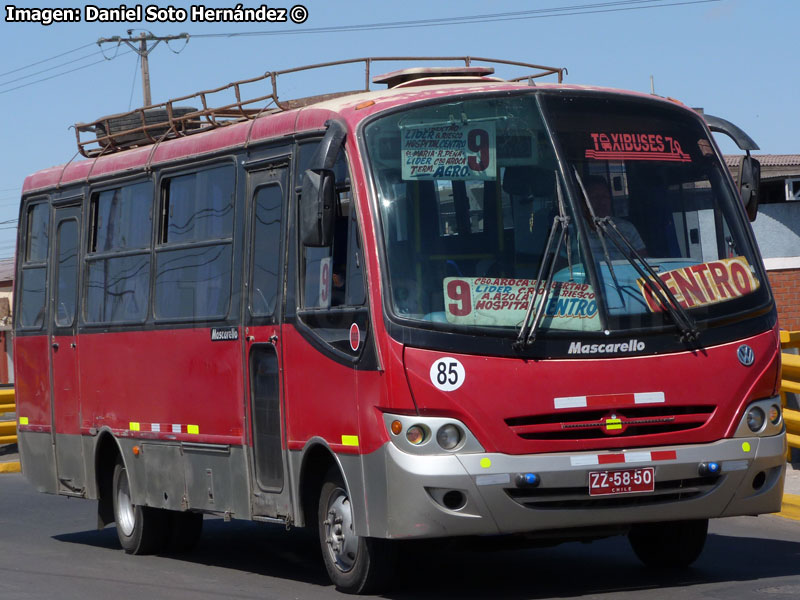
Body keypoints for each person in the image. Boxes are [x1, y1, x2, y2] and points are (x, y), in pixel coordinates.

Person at [584, 176, 647, 260]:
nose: (601, 202)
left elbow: (644, 263)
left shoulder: (627, 228)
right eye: (595, 197)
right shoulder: (572, 231)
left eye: (605, 196)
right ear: (584, 201)